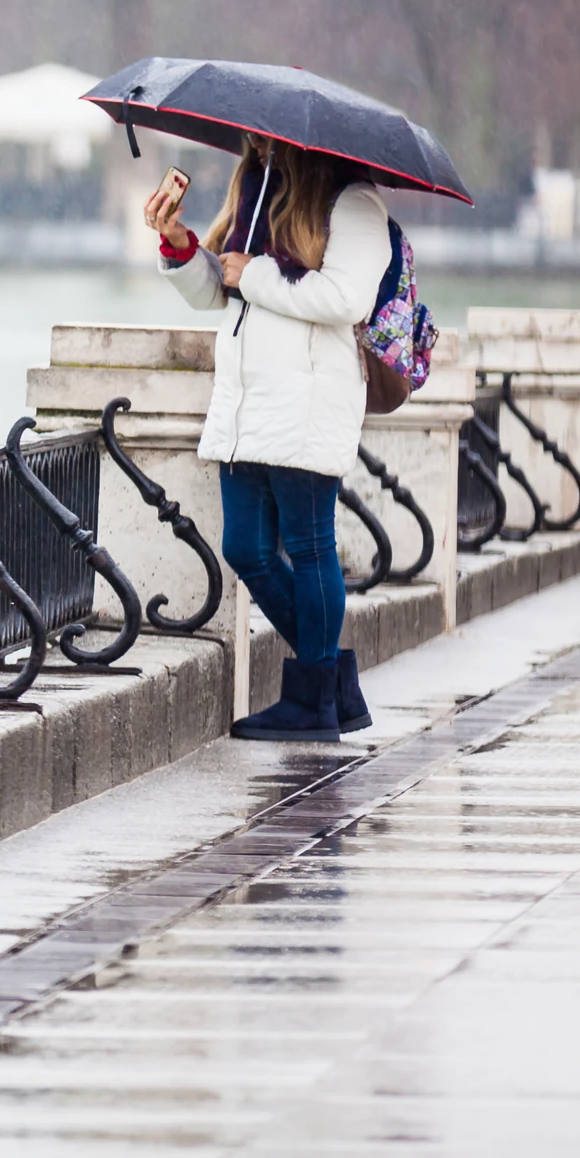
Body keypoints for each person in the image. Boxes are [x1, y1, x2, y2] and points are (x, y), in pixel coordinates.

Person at [142, 137, 393, 741]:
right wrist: (180, 246)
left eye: (266, 134)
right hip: (245, 403)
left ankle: (313, 700)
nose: (254, 142)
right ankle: (330, 688)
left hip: (308, 398)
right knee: (246, 548)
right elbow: (219, 293)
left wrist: (254, 273)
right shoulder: (253, 189)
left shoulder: (353, 202)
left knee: (310, 546)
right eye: (252, 133)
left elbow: (344, 298)